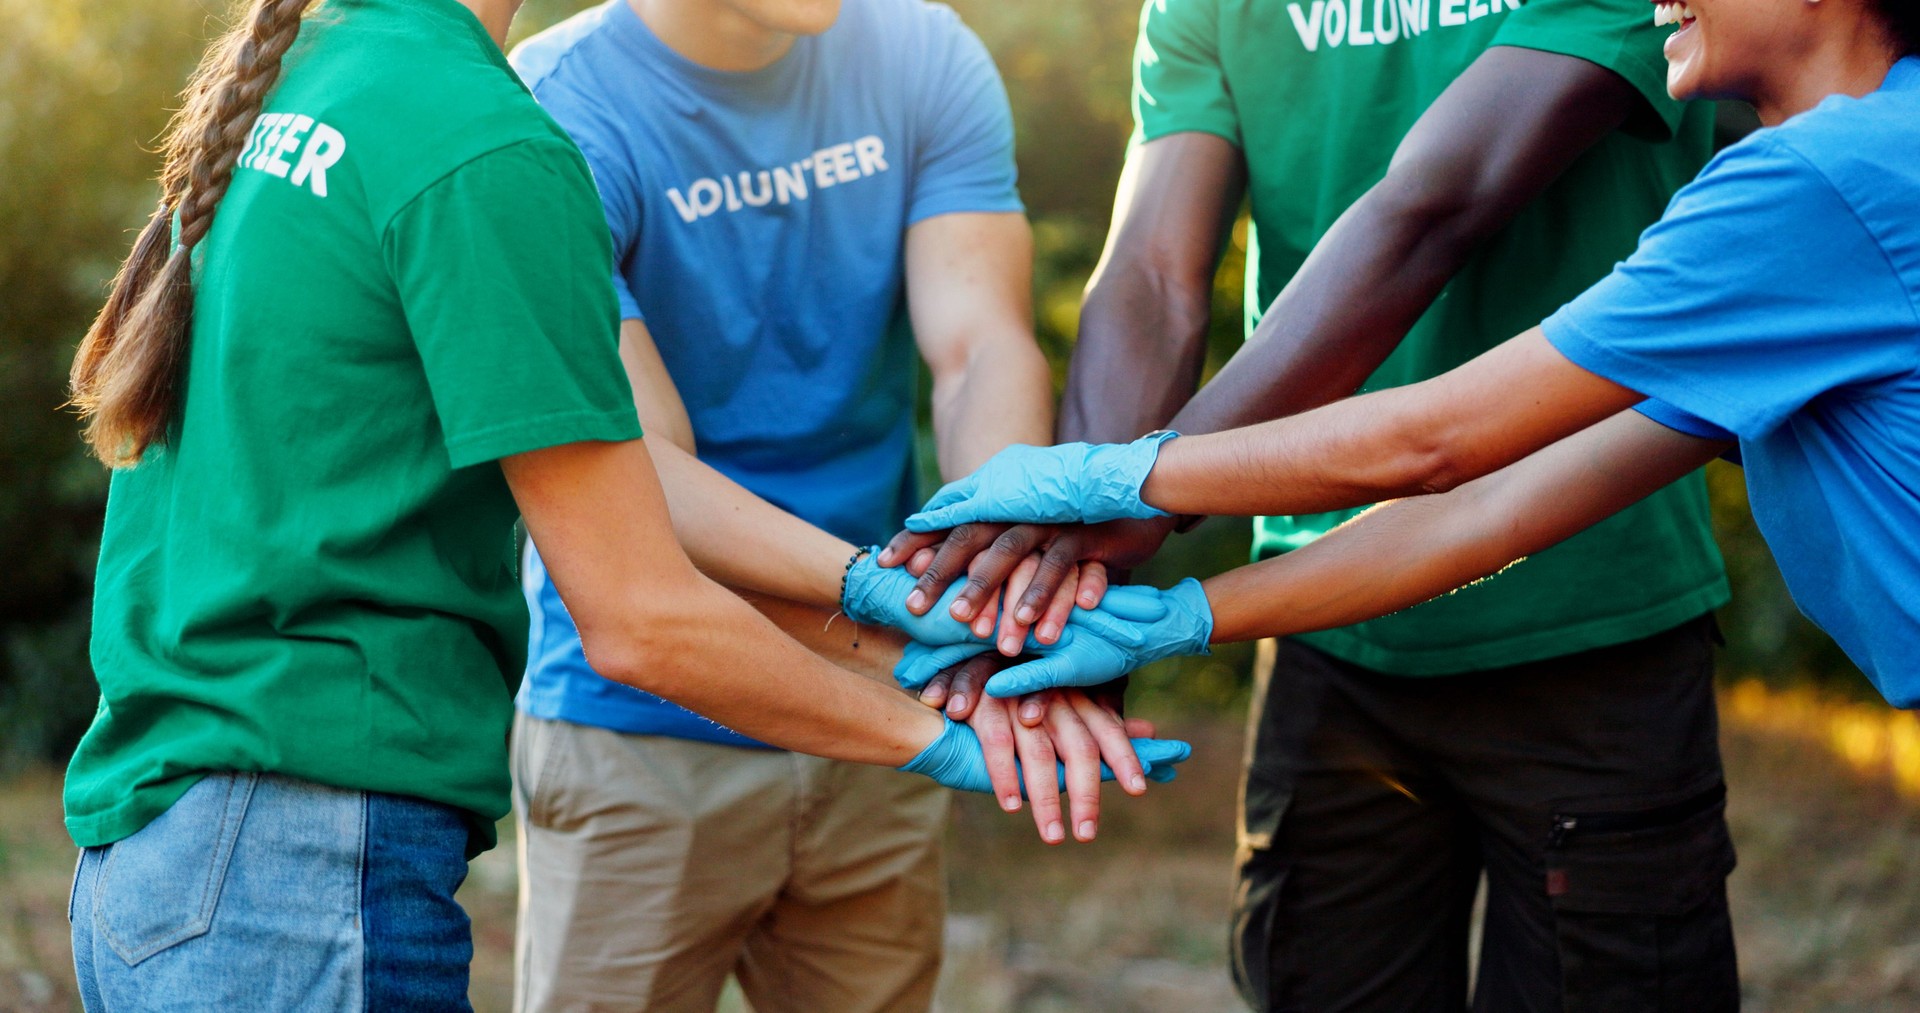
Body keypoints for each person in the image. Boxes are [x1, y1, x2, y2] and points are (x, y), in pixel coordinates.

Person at [58, 0, 1185, 1007]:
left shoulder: (324, 65)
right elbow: (640, 604)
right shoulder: (488, 136)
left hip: (184, 840)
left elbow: (974, 345)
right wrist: (934, 715)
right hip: (306, 862)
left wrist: (935, 597)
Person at [894, 9, 1920, 999]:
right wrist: (1176, 616)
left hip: (1597, 643)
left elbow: (1431, 434)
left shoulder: (1811, 188)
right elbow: (1500, 504)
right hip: (1341, 643)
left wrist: (1110, 488)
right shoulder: (1814, 194)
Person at [499, 2, 1155, 1009]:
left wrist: (1004, 604)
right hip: (643, 730)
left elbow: (979, 347)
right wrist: (894, 604)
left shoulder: (923, 51)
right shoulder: (552, 112)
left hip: (896, 698)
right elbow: (641, 470)